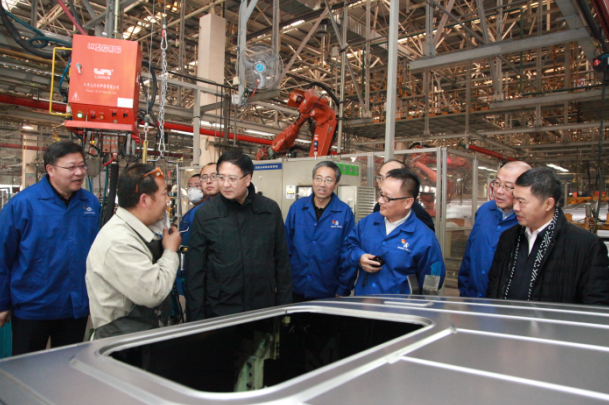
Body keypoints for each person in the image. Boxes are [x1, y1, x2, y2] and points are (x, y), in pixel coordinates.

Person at [0, 140, 100, 355]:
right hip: (33, 307)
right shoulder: (23, 205)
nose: (79, 172)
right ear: (50, 170)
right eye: (71, 167)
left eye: (82, 166)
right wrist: (2, 303)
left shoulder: (90, 203)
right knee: (27, 367)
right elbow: (2, 256)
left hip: (75, 307)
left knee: (69, 366)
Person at [187, 151, 292, 320]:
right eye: (221, 177)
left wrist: (284, 308)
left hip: (262, 308)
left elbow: (282, 262)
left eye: (232, 178)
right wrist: (196, 318)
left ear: (248, 179)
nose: (225, 184)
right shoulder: (206, 215)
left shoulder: (269, 210)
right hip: (220, 309)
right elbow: (195, 271)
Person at [487, 167, 609, 304]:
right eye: (514, 199)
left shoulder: (586, 246)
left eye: (521, 202)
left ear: (548, 204)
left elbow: (596, 303)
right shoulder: (508, 237)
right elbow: (494, 283)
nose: (515, 207)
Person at [86, 164, 181, 338]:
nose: (168, 200)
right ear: (144, 200)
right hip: (121, 343)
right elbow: (153, 292)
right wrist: (170, 252)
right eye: (164, 195)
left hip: (141, 338)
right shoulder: (119, 241)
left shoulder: (137, 229)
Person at [343, 168, 445, 295]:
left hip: (399, 306)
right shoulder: (367, 223)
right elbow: (348, 247)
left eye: (387, 198)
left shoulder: (425, 238)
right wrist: (359, 257)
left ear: (407, 202)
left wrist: (422, 303)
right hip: (364, 301)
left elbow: (432, 281)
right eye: (381, 194)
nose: (380, 201)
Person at [285, 161, 357, 302]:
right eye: (318, 178)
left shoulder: (344, 213)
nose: (322, 184)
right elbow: (285, 246)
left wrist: (343, 289)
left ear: (336, 185)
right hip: (296, 286)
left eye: (328, 180)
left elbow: (348, 253)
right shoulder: (297, 208)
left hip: (328, 290)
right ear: (313, 180)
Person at [458, 161, 531, 298]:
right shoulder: (485, 210)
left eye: (508, 186)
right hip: (472, 297)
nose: (499, 191)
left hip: (504, 303)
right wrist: (464, 289)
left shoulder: (528, 220)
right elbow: (470, 253)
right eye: (497, 183)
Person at [373, 159, 435, 232]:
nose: (383, 183)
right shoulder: (378, 208)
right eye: (380, 178)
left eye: (391, 178)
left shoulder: (418, 214)